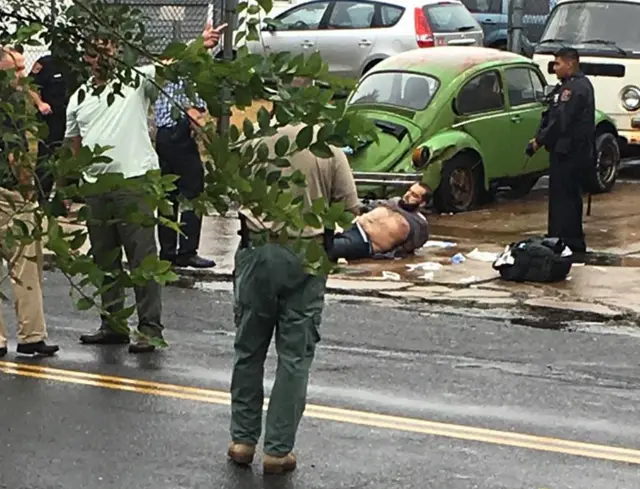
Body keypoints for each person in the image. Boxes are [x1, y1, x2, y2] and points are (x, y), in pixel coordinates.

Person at [65, 24, 223, 353]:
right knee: (104, 258)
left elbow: (171, 66)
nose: (102, 57)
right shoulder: (79, 96)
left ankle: (149, 328)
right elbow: (74, 145)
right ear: (87, 58)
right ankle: (113, 323)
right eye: (95, 52)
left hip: (133, 182)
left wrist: (201, 44)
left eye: (108, 49)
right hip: (96, 186)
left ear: (116, 52)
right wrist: (75, 183)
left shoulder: (134, 81)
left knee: (142, 260)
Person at [228, 123, 360, 474]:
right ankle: (277, 449)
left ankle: (242, 440)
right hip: (307, 254)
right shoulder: (328, 148)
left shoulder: (253, 142)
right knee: (294, 356)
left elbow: (234, 196)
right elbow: (348, 210)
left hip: (258, 250)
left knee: (248, 350)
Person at [0, 46, 59, 357]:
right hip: (10, 194)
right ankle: (31, 335)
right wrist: (27, 190)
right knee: (25, 263)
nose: (22, 75)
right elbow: (16, 155)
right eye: (16, 69)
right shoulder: (8, 105)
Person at [529, 47, 594, 254]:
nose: (554, 68)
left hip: (570, 152)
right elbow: (550, 115)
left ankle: (565, 240)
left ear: (570, 63)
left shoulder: (574, 89)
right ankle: (562, 238)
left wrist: (539, 141)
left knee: (565, 199)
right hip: (564, 151)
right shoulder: (567, 86)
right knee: (563, 197)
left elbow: (561, 122)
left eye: (558, 63)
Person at [153, 78, 215, 268]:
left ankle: (167, 251)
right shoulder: (188, 78)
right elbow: (193, 113)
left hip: (163, 136)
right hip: (179, 134)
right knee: (192, 192)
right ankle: (187, 252)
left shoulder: (163, 76)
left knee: (168, 194)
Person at [328, 182, 430, 261]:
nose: (408, 195)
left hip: (364, 242)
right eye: (409, 191)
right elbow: (368, 206)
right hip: (354, 224)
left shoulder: (419, 224)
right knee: (319, 235)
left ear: (422, 203)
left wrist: (389, 254)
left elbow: (411, 246)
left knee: (328, 248)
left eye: (414, 195)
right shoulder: (394, 201)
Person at [29, 54, 69, 204]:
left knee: (70, 155)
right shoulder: (46, 62)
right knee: (47, 154)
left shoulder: (76, 62)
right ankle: (42, 196)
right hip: (52, 116)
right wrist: (40, 103)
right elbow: (30, 85)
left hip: (72, 115)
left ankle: (67, 195)